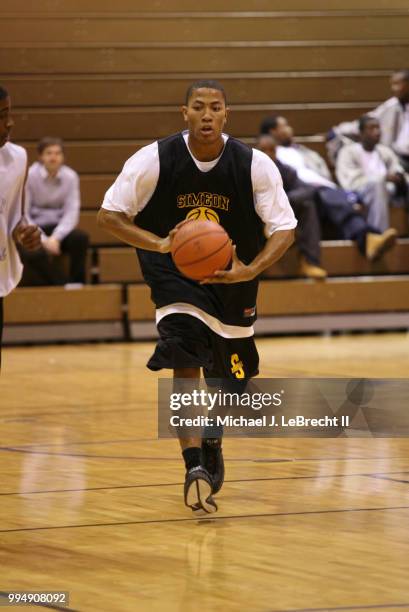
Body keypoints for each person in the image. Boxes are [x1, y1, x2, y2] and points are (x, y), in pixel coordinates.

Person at [98, 80, 297, 514]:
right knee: (182, 359)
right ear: (183, 113)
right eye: (198, 107)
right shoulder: (154, 159)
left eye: (215, 108)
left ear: (227, 115)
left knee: (235, 381)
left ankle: (212, 436)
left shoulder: (253, 164)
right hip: (175, 278)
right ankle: (192, 466)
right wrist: (159, 245)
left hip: (233, 278)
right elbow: (110, 214)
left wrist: (251, 268)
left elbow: (285, 228)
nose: (207, 115)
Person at [260, 115, 398, 261]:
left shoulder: (305, 152)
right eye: (284, 126)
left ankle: (369, 239)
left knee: (337, 197)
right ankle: (368, 238)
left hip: (325, 191)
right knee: (337, 200)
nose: (290, 129)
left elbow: (324, 175)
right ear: (273, 131)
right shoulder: (270, 155)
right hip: (303, 195)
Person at [0, 86, 41, 365]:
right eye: (2, 115)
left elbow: (14, 215)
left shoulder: (16, 158)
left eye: (9, 113)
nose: (10, 122)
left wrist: (24, 231)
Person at [20, 137, 89, 286]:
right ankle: (64, 284)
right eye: (49, 153)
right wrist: (44, 240)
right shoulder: (30, 175)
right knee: (31, 251)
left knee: (80, 238)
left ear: (63, 157)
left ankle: (78, 283)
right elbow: (24, 214)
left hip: (58, 228)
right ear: (40, 157)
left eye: (58, 153)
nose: (53, 157)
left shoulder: (70, 177)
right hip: (35, 227)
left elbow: (71, 213)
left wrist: (56, 238)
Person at [257, 134, 327, 279]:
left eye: (271, 150)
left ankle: (310, 262)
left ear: (276, 152)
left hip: (283, 222)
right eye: (263, 150)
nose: (268, 154)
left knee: (308, 206)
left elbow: (308, 190)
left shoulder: (286, 170)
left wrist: (283, 201)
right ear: (257, 151)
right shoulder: (248, 170)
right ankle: (247, 263)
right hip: (257, 222)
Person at [336, 115, 408, 233]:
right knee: (377, 184)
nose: (377, 131)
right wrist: (383, 178)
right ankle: (379, 235)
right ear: (360, 133)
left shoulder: (385, 151)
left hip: (389, 192)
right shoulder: (348, 152)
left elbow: (397, 169)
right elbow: (349, 181)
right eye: (371, 128)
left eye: (378, 128)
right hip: (360, 192)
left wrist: (398, 176)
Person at [328, 70, 409, 171]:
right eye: (392, 85)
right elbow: (368, 120)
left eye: (397, 84)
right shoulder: (392, 105)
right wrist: (337, 130)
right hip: (397, 157)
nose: (393, 89)